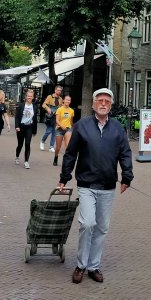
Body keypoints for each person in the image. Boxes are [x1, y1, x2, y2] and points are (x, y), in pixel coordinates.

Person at [59, 88, 133, 284]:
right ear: (93, 105)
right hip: (86, 184)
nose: (103, 103)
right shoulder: (82, 126)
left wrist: (127, 176)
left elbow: (125, 153)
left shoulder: (117, 128)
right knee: (87, 223)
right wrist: (64, 177)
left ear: (110, 106)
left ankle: (94, 266)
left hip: (108, 186)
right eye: (99, 100)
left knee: (101, 228)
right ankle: (81, 264)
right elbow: (71, 154)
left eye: (107, 101)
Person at [14, 88, 38, 168]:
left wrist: (34, 130)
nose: (29, 97)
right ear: (25, 97)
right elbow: (17, 117)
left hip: (29, 127)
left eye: (31, 96)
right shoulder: (21, 105)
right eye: (28, 96)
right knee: (20, 144)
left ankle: (26, 161)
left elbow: (35, 119)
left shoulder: (34, 107)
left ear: (33, 97)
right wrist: (17, 126)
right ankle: (17, 156)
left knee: (27, 144)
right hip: (21, 127)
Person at [52, 94, 75, 166]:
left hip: (68, 129)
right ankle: (56, 157)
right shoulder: (59, 109)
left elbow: (71, 121)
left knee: (67, 146)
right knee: (58, 147)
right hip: (59, 129)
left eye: (69, 100)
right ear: (64, 100)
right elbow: (57, 120)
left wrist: (72, 128)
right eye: (67, 99)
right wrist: (62, 126)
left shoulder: (71, 111)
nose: (68, 101)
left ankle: (66, 161)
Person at [40, 84, 62, 152]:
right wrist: (48, 109)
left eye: (60, 91)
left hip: (57, 116)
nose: (59, 92)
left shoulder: (60, 99)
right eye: (58, 90)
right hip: (50, 116)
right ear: (55, 90)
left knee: (54, 132)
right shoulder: (50, 97)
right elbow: (43, 104)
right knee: (48, 131)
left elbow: (61, 108)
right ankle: (42, 141)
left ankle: (51, 146)